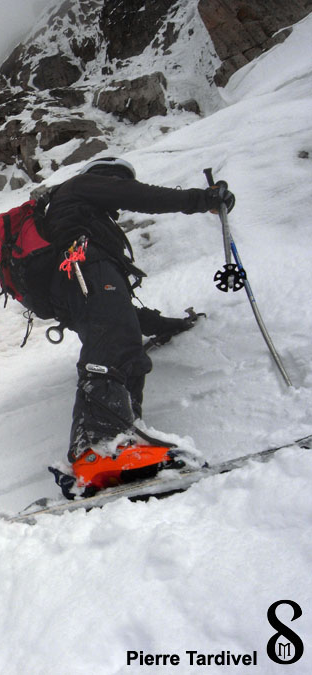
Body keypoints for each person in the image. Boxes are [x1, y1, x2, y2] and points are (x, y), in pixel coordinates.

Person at [35, 157, 235, 495]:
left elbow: (120, 315)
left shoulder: (85, 220)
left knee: (124, 351)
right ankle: (101, 448)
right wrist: (202, 200)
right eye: (117, 180)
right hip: (85, 268)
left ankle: (118, 446)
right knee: (114, 347)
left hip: (77, 283)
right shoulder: (82, 186)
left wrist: (165, 324)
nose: (117, 189)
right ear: (106, 176)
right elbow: (137, 195)